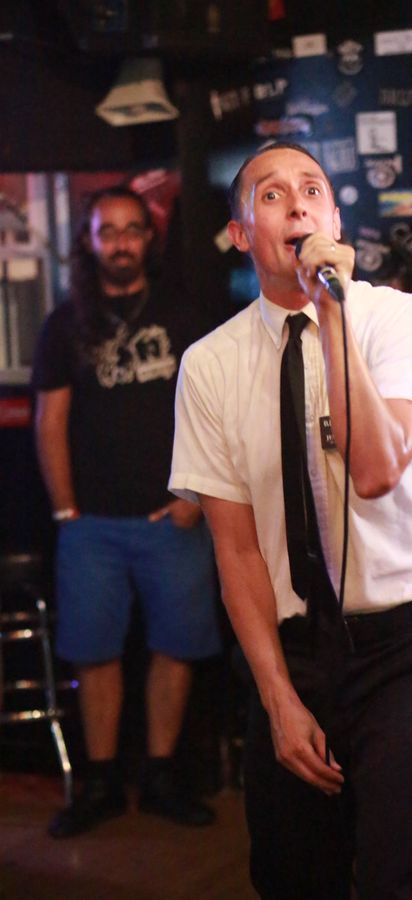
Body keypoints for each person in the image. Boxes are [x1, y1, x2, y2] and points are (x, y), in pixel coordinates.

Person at [169, 143, 412, 899]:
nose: (298, 204)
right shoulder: (209, 364)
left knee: (405, 877)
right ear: (241, 233)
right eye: (272, 195)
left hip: (411, 643)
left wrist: (331, 309)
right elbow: (237, 552)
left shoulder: (404, 320)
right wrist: (277, 699)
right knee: (291, 879)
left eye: (312, 190)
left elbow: (374, 471)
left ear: (335, 220)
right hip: (297, 654)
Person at [32, 185, 222, 839]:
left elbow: (215, 410)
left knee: (177, 647)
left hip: (172, 518)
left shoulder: (183, 314)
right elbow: (50, 420)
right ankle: (102, 784)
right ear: (89, 242)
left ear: (149, 237)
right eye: (106, 231)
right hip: (92, 527)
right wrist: (66, 512)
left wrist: (196, 495)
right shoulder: (64, 322)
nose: (120, 242)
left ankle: (162, 776)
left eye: (131, 229)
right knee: (94, 654)